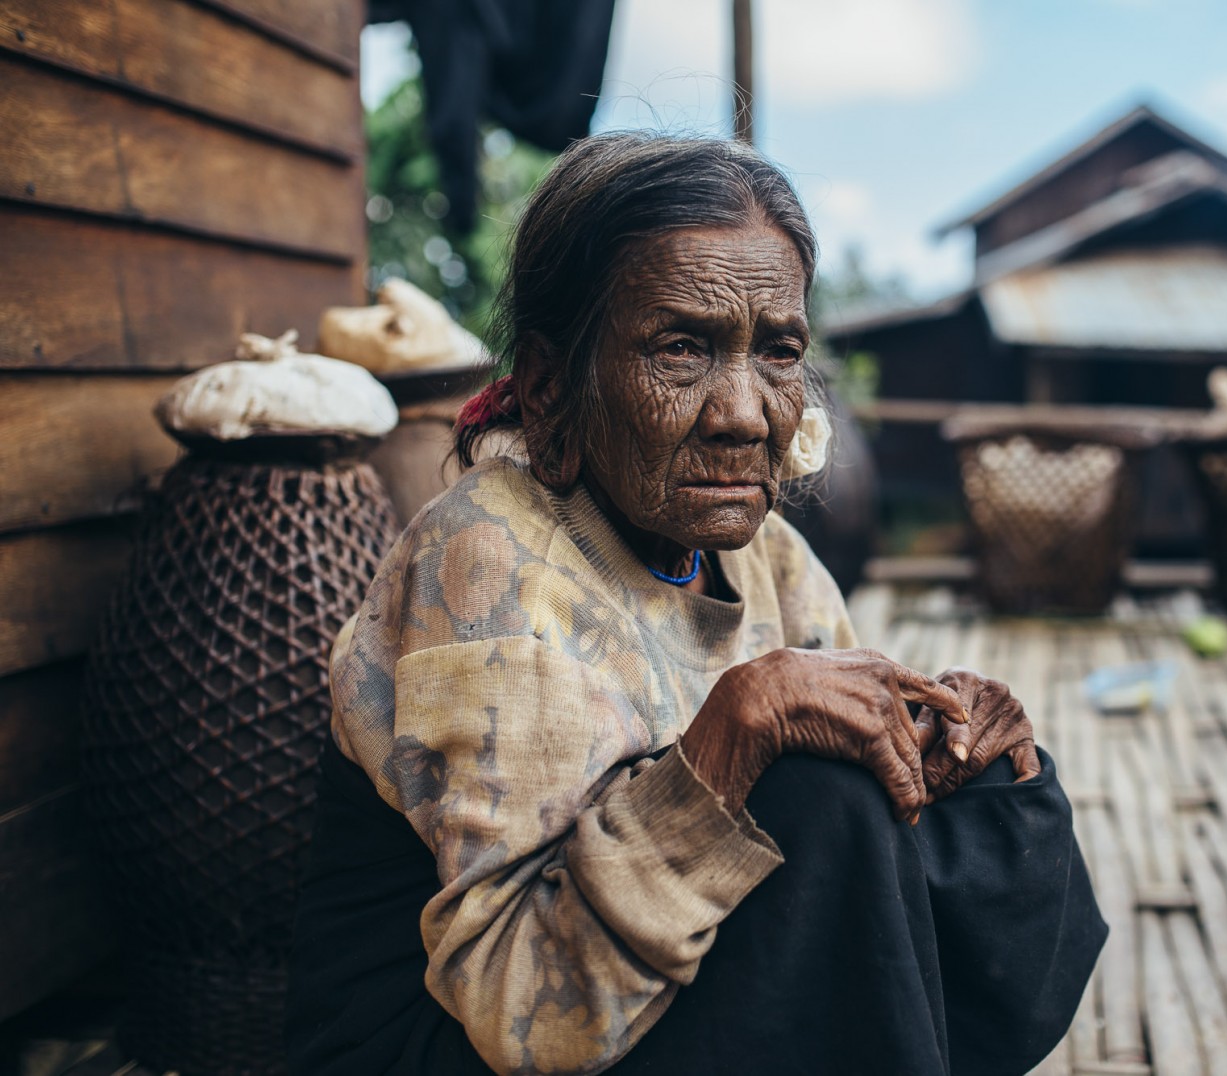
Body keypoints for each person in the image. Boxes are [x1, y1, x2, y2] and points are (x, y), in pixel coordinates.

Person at [286, 133, 1106, 1076]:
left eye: (779, 353)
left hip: (644, 993)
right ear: (553, 388)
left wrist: (951, 746)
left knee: (945, 796)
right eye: (683, 348)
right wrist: (739, 726)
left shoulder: (774, 562)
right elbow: (524, 1011)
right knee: (823, 799)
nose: (746, 412)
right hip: (455, 1037)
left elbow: (876, 826)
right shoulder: (488, 563)